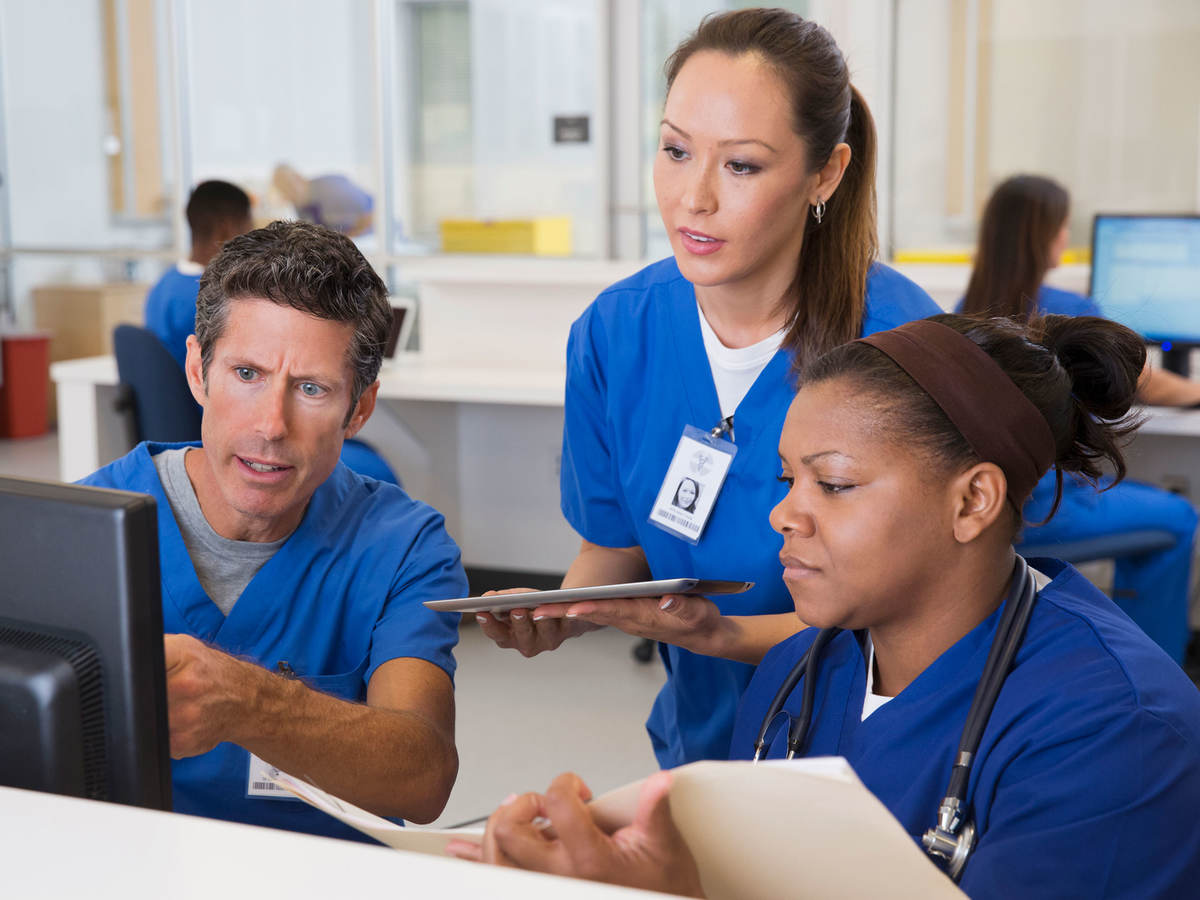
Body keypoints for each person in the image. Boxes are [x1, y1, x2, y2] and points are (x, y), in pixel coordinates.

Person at [452, 314, 1200, 898]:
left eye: (833, 485)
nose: (784, 517)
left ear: (972, 500)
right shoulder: (796, 678)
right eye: (786, 481)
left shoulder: (1116, 732)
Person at [476, 8, 940, 769]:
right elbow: (615, 547)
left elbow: (917, 615)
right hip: (703, 747)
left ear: (825, 172)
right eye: (674, 150)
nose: (693, 197)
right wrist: (564, 611)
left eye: (741, 166)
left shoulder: (898, 344)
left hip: (870, 762)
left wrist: (720, 635)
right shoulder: (616, 333)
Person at [83, 221, 464, 840]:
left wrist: (250, 702)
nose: (271, 424)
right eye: (247, 374)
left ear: (359, 408)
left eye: (311, 389)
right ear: (199, 372)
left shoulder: (404, 547)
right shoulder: (79, 530)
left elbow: (423, 778)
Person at [961, 174, 1199, 662]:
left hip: (990, 504)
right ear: (1043, 235)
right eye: (1063, 228)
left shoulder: (962, 314)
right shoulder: (1066, 312)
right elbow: (1137, 380)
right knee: (1178, 518)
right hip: (1049, 506)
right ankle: (1150, 665)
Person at [145, 180, 253, 369]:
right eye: (248, 228)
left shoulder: (162, 285)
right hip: (199, 397)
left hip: (173, 396)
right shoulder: (217, 297)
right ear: (227, 227)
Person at [273, 163, 374, 236]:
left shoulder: (331, 188)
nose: (288, 197)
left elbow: (371, 214)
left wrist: (346, 240)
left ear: (298, 178)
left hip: (374, 236)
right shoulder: (300, 204)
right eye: (284, 193)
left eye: (288, 188)